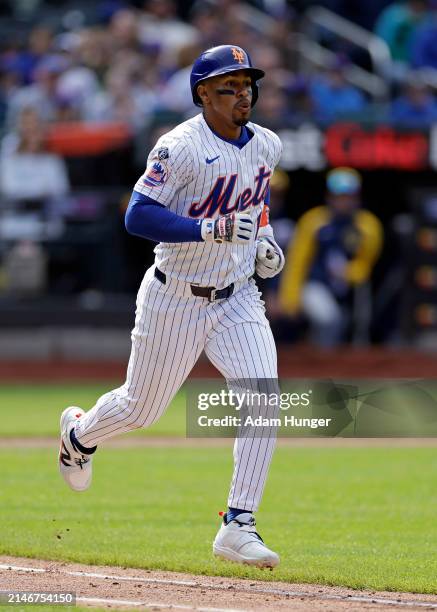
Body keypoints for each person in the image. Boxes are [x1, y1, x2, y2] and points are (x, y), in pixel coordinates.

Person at [58, 45, 284, 569]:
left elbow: (256, 203)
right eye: (229, 85)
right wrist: (212, 229)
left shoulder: (267, 145)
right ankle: (78, 435)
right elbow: (137, 216)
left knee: (264, 400)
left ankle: (238, 524)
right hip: (175, 296)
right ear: (202, 93)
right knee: (141, 409)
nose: (242, 92)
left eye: (247, 83)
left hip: (236, 298)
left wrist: (266, 244)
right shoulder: (179, 146)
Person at [279, 168, 383, 347]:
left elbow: (366, 264)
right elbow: (297, 261)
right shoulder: (314, 221)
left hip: (347, 290)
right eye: (338, 196)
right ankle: (322, 363)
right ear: (329, 197)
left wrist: (349, 273)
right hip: (315, 284)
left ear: (357, 197)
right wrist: (290, 298)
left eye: (348, 196)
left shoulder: (368, 225)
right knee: (329, 319)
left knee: (347, 320)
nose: (344, 201)